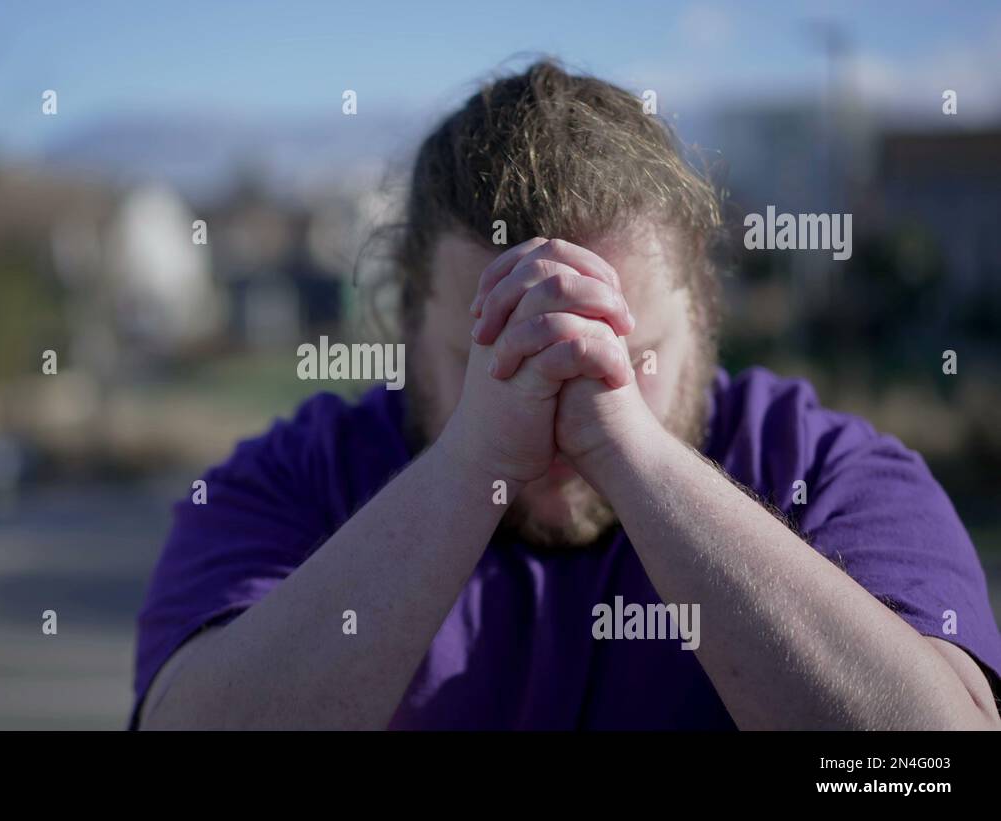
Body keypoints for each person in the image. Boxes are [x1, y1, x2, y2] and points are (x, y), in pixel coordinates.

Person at [131, 60, 1001, 730]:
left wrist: (637, 456)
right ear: (405, 327)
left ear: (706, 318)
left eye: (623, 358)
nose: (553, 417)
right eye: (494, 357)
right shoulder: (297, 480)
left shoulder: (826, 469)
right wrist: (475, 463)